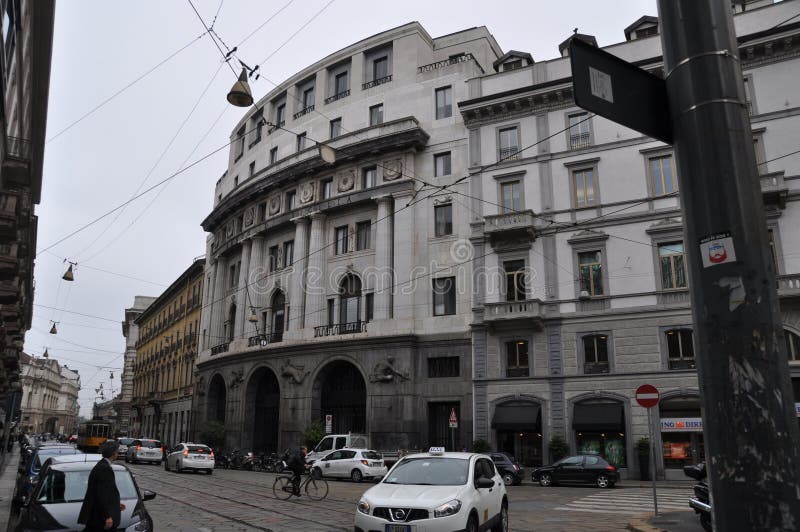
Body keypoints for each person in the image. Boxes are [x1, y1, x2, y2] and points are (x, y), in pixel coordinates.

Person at [78, 440, 126, 531]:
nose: (118, 453)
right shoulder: (105, 469)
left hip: (96, 515)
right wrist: (107, 516)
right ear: (113, 453)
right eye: (117, 451)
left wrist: (115, 504)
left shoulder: (101, 465)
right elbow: (101, 495)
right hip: (99, 518)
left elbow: (105, 492)